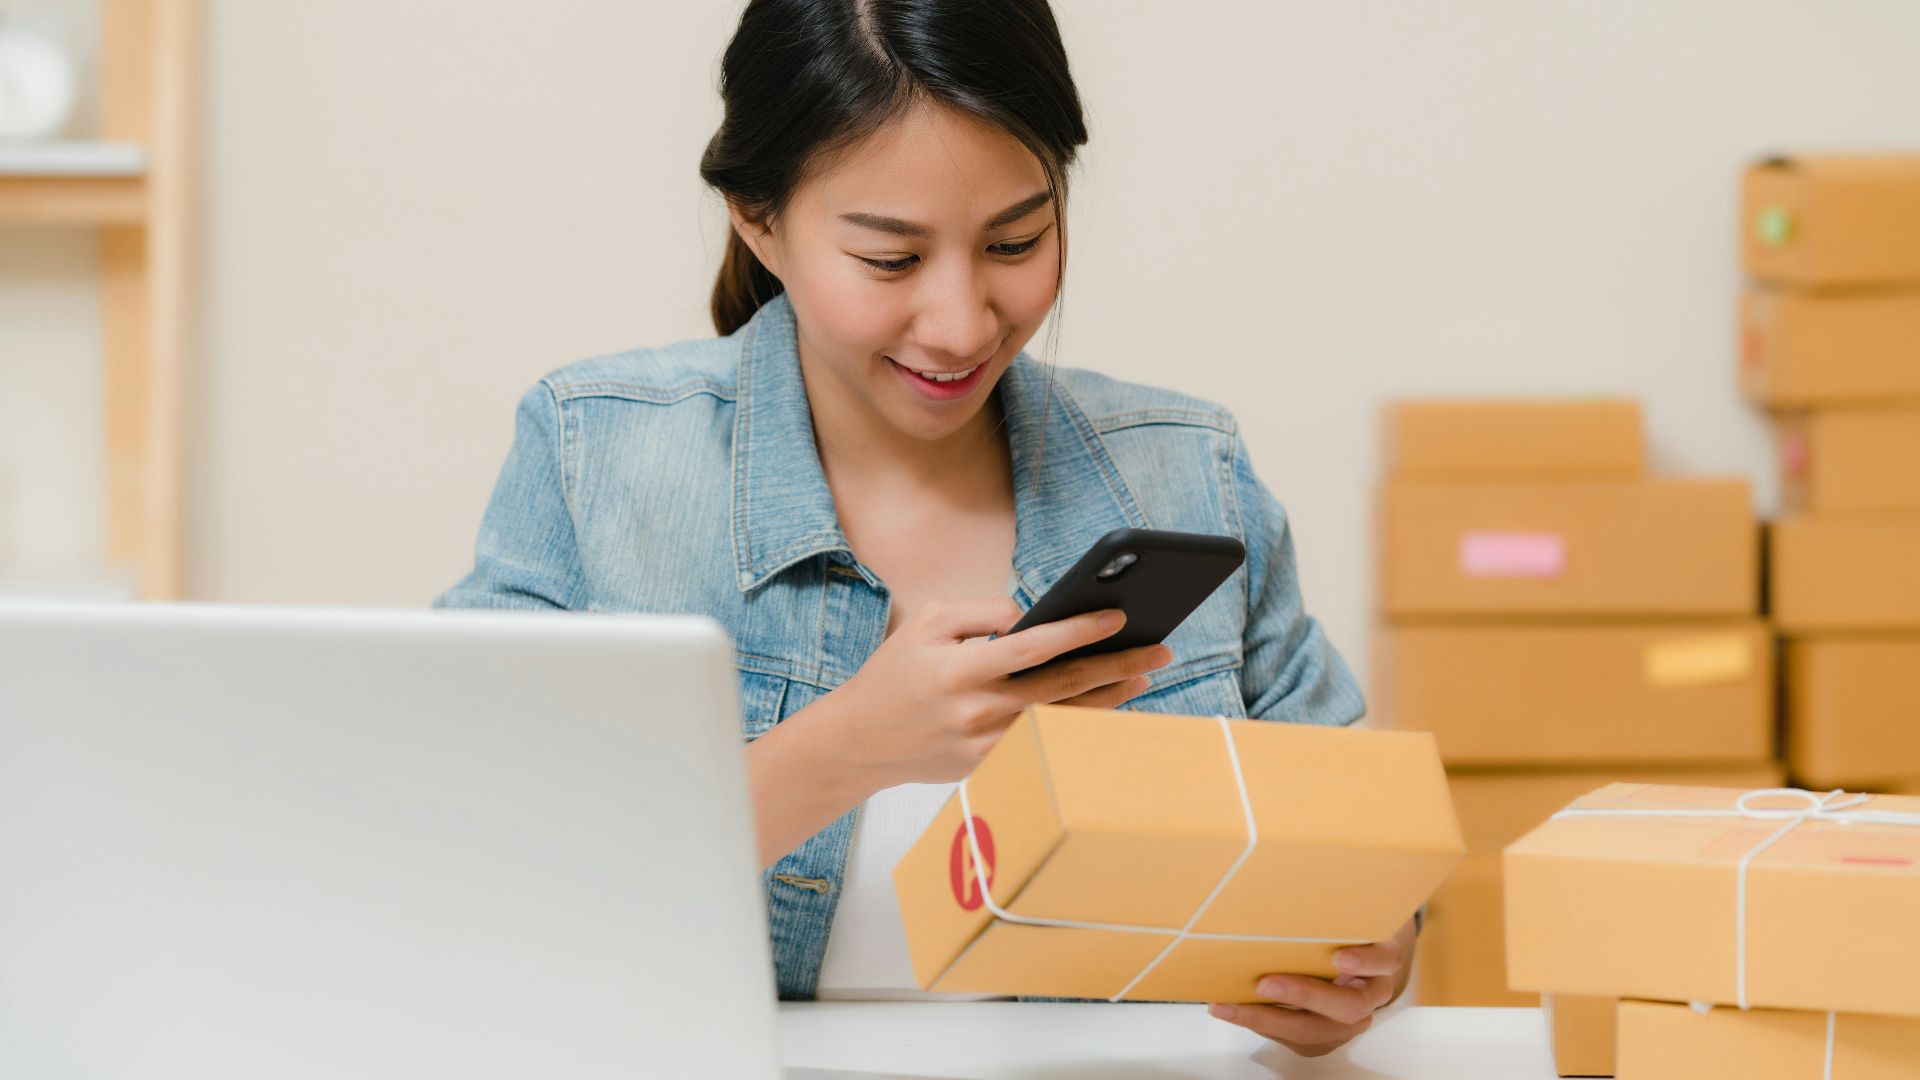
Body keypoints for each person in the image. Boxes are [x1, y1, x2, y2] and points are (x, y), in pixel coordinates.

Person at [437, 0, 1406, 1058]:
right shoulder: (596, 455)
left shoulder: (1189, 470)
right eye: (891, 261)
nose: (960, 324)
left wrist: (1369, 956)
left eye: (1017, 241)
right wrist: (847, 750)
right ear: (758, 220)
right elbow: (459, 871)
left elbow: (1370, 854)